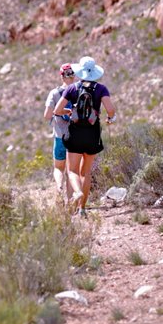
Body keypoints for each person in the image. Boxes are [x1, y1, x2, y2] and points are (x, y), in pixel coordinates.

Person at [53, 56, 117, 217]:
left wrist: (69, 111)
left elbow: (57, 110)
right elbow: (110, 109)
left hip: (75, 133)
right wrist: (110, 119)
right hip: (92, 134)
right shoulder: (101, 89)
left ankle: (77, 192)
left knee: (72, 170)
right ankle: (82, 209)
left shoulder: (72, 88)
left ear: (79, 71)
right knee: (85, 172)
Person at [42, 63, 76, 205]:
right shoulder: (78, 91)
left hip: (59, 136)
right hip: (76, 137)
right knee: (72, 171)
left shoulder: (54, 93)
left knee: (58, 167)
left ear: (61, 76)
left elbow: (47, 115)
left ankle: (58, 188)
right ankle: (69, 201)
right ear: (73, 75)